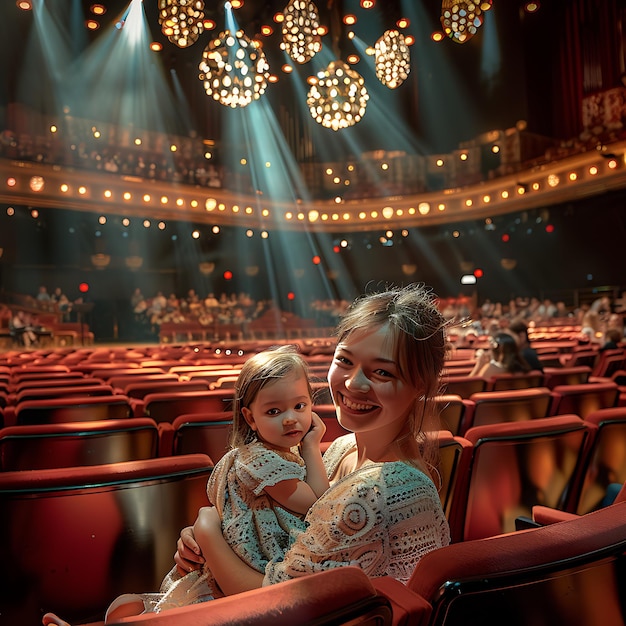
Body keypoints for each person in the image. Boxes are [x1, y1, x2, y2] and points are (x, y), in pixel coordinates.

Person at [172, 283, 451, 596]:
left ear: (422, 385)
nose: (353, 382)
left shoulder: (384, 491)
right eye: (344, 360)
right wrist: (208, 545)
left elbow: (272, 599)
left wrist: (208, 530)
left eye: (383, 373)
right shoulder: (342, 448)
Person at [43, 345, 329, 623]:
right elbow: (318, 503)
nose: (291, 419)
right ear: (250, 418)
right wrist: (312, 446)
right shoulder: (263, 462)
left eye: (299, 406)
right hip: (253, 563)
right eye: (274, 412)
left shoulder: (259, 456)